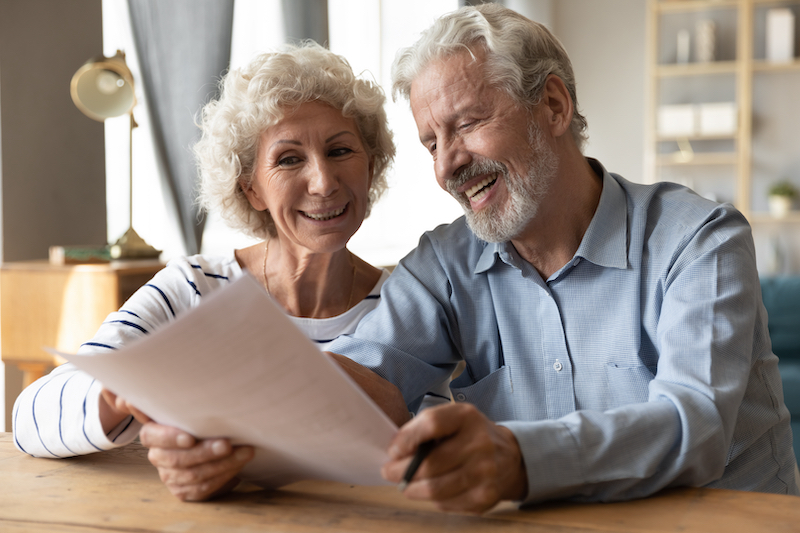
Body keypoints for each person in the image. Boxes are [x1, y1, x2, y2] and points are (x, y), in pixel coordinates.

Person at [325, 3, 798, 512]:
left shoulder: (699, 239)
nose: (447, 165)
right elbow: (361, 380)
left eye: (467, 123)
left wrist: (520, 458)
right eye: (431, 143)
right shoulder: (443, 265)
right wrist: (243, 422)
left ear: (553, 105)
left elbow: (696, 425)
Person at [12, 41, 415, 500]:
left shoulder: (408, 304)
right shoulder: (192, 287)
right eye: (288, 159)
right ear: (252, 189)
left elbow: (438, 440)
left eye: (340, 150)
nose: (323, 181)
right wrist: (119, 395)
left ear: (371, 165)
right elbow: (29, 416)